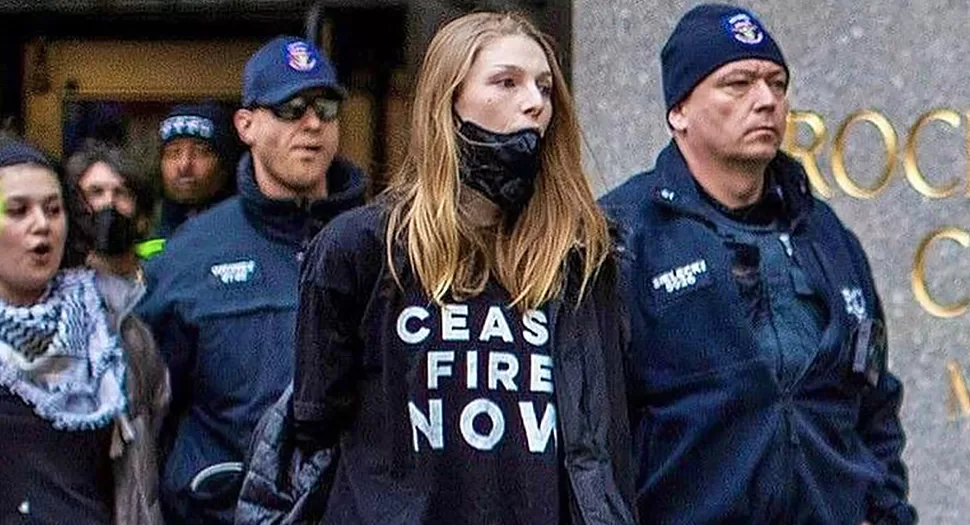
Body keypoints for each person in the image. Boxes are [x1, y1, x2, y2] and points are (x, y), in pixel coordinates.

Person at [237, 12, 636, 525]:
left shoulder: (580, 259)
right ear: (448, 102)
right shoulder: (358, 248)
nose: (535, 103)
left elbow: (601, 445)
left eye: (543, 87)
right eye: (506, 82)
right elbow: (314, 428)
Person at [600, 4, 916, 524]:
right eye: (738, 83)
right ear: (679, 109)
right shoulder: (625, 233)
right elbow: (592, 428)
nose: (766, 100)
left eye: (777, 83)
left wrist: (887, 513)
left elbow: (874, 403)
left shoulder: (824, 234)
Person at [136, 35, 366, 524]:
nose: (312, 123)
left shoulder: (384, 244)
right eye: (290, 108)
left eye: (325, 107)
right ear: (246, 124)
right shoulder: (188, 257)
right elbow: (144, 418)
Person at [0, 138, 168, 525]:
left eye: (53, 209)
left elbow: (146, 462)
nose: (41, 224)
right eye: (18, 210)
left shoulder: (116, 331)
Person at [137, 102, 237, 258]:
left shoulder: (246, 229)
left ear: (224, 164)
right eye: (173, 153)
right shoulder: (140, 227)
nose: (184, 165)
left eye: (200, 152)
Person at [64, 140, 156, 280]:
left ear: (142, 218)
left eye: (121, 192)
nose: (109, 202)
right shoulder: (57, 288)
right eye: (96, 192)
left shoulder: (162, 280)